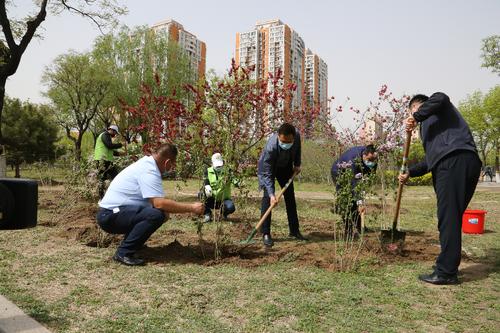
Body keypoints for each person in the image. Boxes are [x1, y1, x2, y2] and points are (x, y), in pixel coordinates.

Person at [399, 93, 481, 285]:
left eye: (412, 112)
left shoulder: (437, 107)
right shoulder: (436, 128)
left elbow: (441, 97)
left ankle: (446, 272)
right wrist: (410, 172)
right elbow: (430, 160)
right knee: (451, 217)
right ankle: (447, 266)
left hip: (453, 162)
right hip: (466, 162)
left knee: (448, 218)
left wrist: (416, 116)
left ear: (416, 107)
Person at [96, 143, 204, 266]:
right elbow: (159, 203)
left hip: (114, 213)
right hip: (109, 215)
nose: (173, 167)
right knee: (155, 215)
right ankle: (124, 252)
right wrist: (192, 208)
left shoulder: (147, 165)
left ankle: (132, 244)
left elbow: (156, 202)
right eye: (173, 163)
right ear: (167, 162)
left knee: (158, 213)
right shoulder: (149, 170)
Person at [257, 122, 306, 247]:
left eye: (289, 142)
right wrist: (272, 194)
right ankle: (266, 233)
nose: (286, 144)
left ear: (293, 137)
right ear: (278, 136)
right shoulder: (270, 148)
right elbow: (267, 174)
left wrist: (297, 164)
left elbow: (297, 149)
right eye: (283, 141)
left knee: (290, 197)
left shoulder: (297, 136)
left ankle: (294, 231)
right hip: (270, 168)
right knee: (268, 198)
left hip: (286, 166)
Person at [331, 144, 378, 236]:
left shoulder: (373, 156)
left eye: (373, 160)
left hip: (357, 174)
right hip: (340, 173)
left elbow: (371, 174)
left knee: (356, 199)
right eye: (369, 160)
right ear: (364, 155)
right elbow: (354, 183)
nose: (372, 162)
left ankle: (360, 227)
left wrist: (365, 188)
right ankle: (348, 230)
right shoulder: (352, 159)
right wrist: (360, 202)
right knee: (348, 200)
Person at [202, 153, 236, 223]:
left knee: (231, 208)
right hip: (212, 199)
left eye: (220, 165)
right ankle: (208, 214)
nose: (218, 167)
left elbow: (234, 179)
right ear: (212, 163)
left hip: (224, 200)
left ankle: (223, 214)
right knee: (201, 195)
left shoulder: (228, 171)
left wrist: (239, 183)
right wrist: (207, 186)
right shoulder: (207, 171)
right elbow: (206, 181)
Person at [94, 125, 123, 198]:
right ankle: (101, 198)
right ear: (112, 130)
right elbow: (109, 145)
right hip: (102, 161)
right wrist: (120, 145)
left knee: (113, 177)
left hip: (107, 161)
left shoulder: (107, 137)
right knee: (103, 179)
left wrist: (119, 154)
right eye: (115, 133)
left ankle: (110, 196)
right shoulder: (105, 135)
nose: (115, 135)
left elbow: (109, 150)